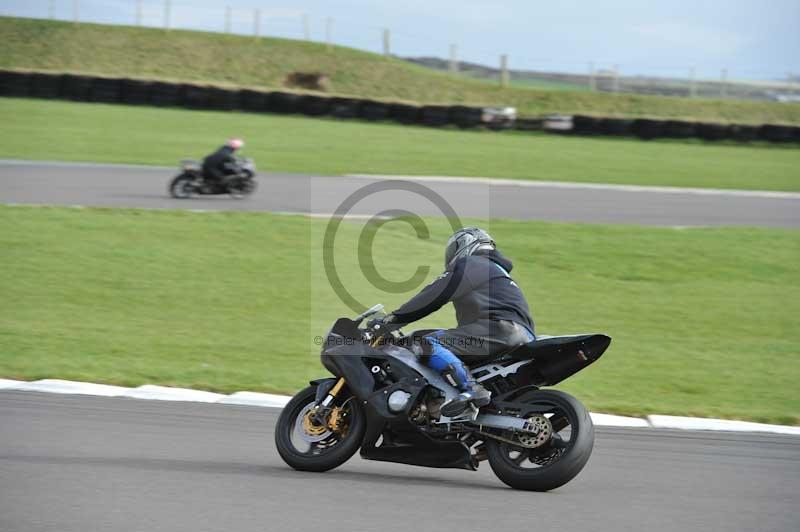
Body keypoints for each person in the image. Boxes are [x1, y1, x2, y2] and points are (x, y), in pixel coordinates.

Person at [378, 227, 536, 417]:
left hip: (498, 330)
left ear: (466, 244)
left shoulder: (473, 263)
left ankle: (471, 389)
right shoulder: (497, 273)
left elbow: (433, 295)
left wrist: (394, 319)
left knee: (426, 342)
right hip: (523, 336)